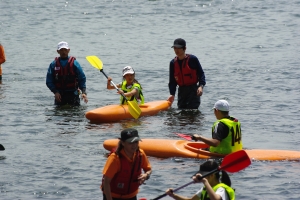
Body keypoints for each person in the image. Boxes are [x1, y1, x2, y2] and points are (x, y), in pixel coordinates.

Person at [101, 128, 152, 200]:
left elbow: (148, 169)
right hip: (113, 196)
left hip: (131, 196)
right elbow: (106, 182)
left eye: (136, 142)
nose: (134, 145)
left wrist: (146, 175)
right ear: (122, 142)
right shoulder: (115, 158)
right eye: (130, 143)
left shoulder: (140, 154)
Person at [166, 160, 235, 200]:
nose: (202, 178)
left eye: (204, 176)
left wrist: (205, 182)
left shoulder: (221, 189)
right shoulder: (204, 189)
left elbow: (215, 199)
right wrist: (173, 195)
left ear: (212, 175)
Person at [167, 38, 206, 109]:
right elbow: (172, 82)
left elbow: (201, 74)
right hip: (181, 91)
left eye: (178, 48)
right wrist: (172, 94)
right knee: (182, 113)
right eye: (175, 48)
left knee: (192, 112)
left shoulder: (193, 59)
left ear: (184, 48)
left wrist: (201, 86)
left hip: (193, 90)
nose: (176, 50)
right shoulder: (173, 63)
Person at [46, 41, 88, 106]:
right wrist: (55, 92)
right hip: (59, 95)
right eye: (61, 50)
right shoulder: (53, 64)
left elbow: (82, 78)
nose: (63, 52)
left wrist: (84, 92)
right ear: (58, 51)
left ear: (68, 50)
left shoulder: (74, 63)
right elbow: (49, 81)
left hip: (73, 94)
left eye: (65, 50)